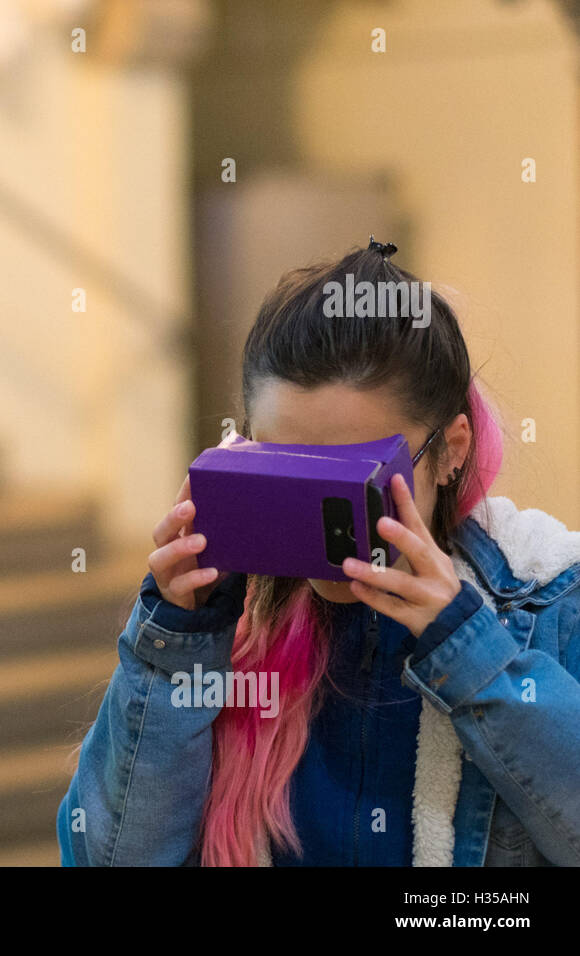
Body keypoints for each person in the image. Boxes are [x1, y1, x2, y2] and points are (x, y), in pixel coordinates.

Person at [58, 240, 580, 866]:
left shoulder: (547, 603)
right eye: (289, 470)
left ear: (451, 450)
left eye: (358, 481)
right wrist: (176, 644)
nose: (331, 523)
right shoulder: (230, 615)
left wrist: (471, 653)